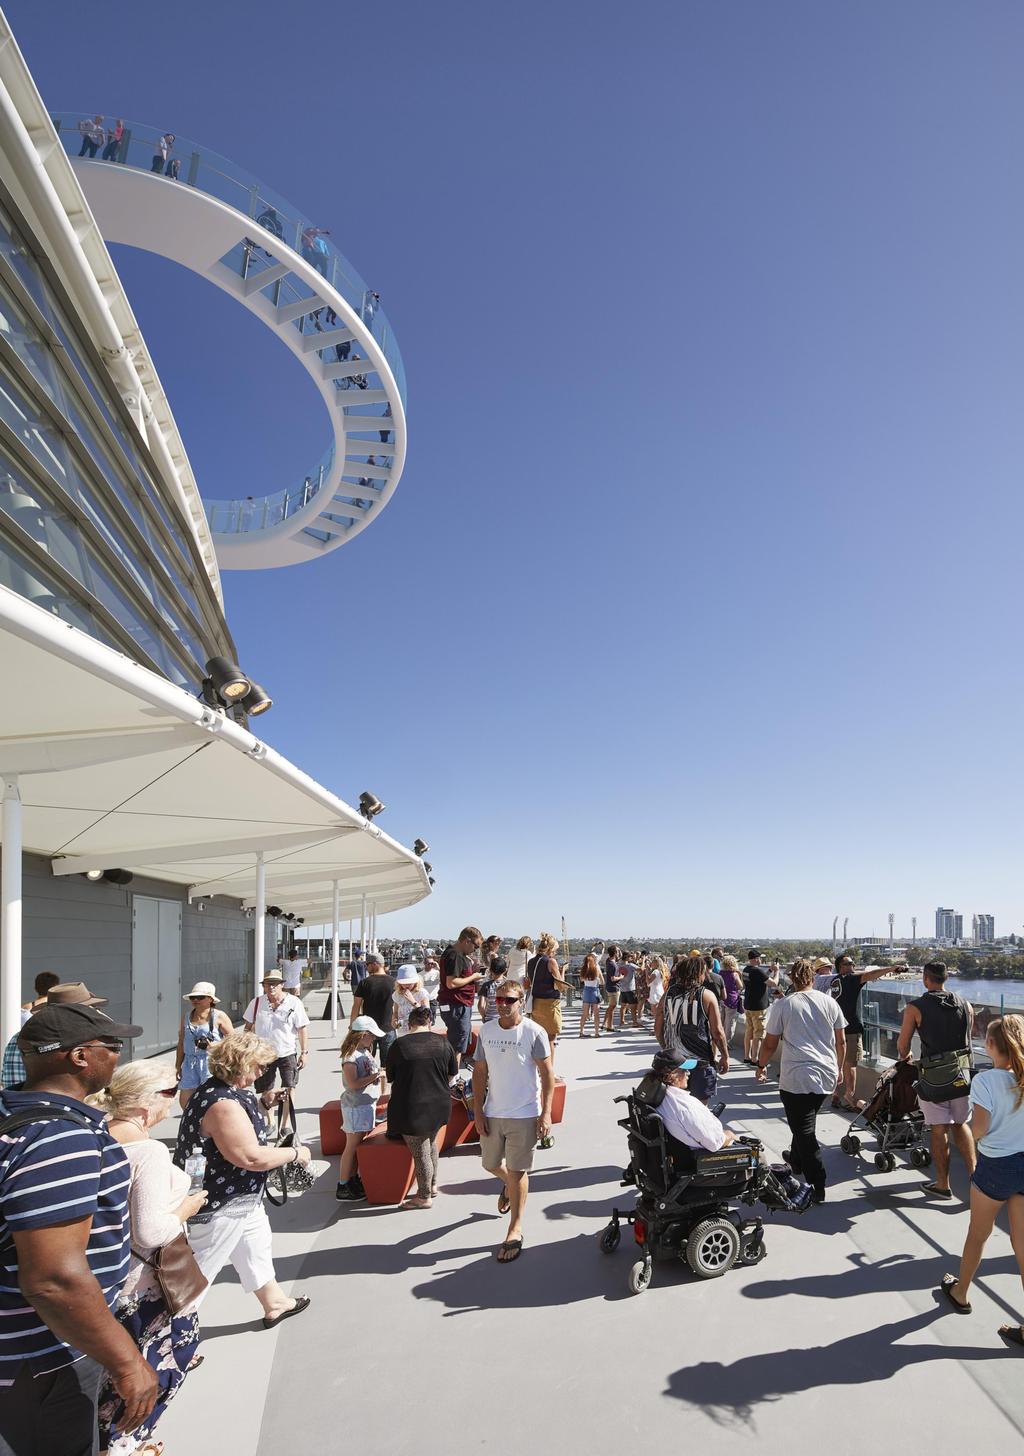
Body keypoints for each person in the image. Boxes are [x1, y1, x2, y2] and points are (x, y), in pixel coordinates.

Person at [0, 1000, 157, 1454]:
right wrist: (128, 1363)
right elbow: (54, 1280)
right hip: (41, 1360)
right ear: (79, 1056)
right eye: (111, 1045)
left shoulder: (15, 1115)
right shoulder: (62, 1139)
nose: (119, 1054)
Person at [90, 1062, 207, 1456]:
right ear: (145, 1106)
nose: (176, 1099)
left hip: (106, 1280)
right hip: (147, 1285)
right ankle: (127, 1446)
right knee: (160, 1369)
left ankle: (115, 1443)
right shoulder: (149, 1152)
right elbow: (152, 1231)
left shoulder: (98, 1139)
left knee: (115, 1380)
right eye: (171, 1092)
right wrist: (186, 1209)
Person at [174, 1031, 311, 1326]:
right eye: (259, 1066)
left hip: (238, 1197)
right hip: (220, 1202)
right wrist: (294, 1154)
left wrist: (263, 1104)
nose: (263, 1072)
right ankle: (167, 1335)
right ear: (240, 1063)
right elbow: (250, 1157)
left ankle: (274, 1302)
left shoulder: (219, 1091)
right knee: (199, 1271)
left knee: (255, 1245)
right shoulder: (223, 1104)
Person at [939, 1015, 1024, 1345]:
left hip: (997, 1167)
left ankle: (960, 1293)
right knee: (1022, 1245)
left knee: (978, 1234)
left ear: (990, 1045)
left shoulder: (987, 1081)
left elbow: (979, 1129)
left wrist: (966, 1128)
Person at [472, 981, 554, 1263]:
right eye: (499, 999)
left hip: (525, 1113)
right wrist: (478, 1110)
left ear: (522, 1001)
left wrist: (546, 1113)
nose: (503, 1004)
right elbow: (479, 1072)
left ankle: (514, 1229)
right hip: (493, 1111)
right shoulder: (487, 1031)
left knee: (518, 1171)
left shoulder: (534, 1032)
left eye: (509, 999)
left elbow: (547, 1075)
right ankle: (509, 1186)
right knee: (490, 1163)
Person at [755, 958, 846, 1203]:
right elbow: (841, 1042)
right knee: (804, 1120)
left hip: (797, 1077)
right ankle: (795, 1160)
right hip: (825, 1074)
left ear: (791, 979)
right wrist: (839, 1068)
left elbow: (770, 1043)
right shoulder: (830, 1003)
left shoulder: (784, 1005)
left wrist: (761, 1066)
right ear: (813, 978)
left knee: (805, 1132)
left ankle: (818, 1183)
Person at [897, 961, 977, 1200]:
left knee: (939, 1127)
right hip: (961, 1074)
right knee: (961, 1124)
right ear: (946, 978)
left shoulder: (914, 1007)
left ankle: (943, 1184)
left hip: (934, 1077)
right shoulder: (966, 1004)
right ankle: (976, 1181)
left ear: (925, 978)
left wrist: (906, 1055)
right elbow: (967, 1038)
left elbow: (902, 1047)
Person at [385, 1007, 457, 1208]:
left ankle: (424, 1195)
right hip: (440, 1104)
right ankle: (432, 1185)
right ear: (430, 1023)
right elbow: (452, 1075)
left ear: (410, 1024)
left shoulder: (399, 1045)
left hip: (412, 1107)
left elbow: (391, 1077)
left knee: (421, 1152)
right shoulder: (443, 1042)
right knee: (431, 1144)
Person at [824, 952, 903, 1111]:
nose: (852, 966)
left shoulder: (835, 980)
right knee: (850, 1064)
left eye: (853, 964)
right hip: (851, 1028)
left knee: (836, 1062)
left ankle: (835, 1094)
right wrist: (891, 968)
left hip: (836, 1028)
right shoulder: (851, 979)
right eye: (849, 963)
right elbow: (871, 974)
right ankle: (849, 1096)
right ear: (841, 967)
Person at [656, 955, 730, 1098]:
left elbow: (658, 1030)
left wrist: (667, 1049)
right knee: (700, 1106)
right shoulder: (706, 996)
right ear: (698, 974)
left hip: (675, 1062)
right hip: (700, 1061)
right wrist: (725, 1056)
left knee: (678, 1105)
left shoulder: (667, 996)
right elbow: (717, 1032)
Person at [243, 971, 310, 1111]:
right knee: (265, 1088)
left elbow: (302, 1029)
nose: (271, 987)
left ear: (282, 985)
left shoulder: (294, 1002)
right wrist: (247, 1048)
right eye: (267, 985)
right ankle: (270, 1121)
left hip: (287, 1052)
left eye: (274, 984)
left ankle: (285, 1122)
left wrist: (304, 1052)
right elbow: (247, 1028)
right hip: (262, 1053)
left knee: (289, 1087)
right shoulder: (256, 1003)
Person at [650, 1051, 737, 1155]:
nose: (688, 1073)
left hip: (674, 1148)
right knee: (757, 1154)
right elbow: (714, 1143)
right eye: (684, 1070)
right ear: (670, 1076)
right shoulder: (684, 1107)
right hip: (695, 1156)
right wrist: (729, 1136)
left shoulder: (655, 1095)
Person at [335, 1016, 383, 1202]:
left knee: (356, 1146)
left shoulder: (365, 1051)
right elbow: (353, 1084)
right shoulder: (351, 1056)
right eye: (371, 1036)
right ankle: (343, 1184)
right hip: (355, 1106)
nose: (374, 1039)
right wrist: (375, 1076)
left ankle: (352, 1179)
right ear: (363, 1035)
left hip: (364, 1104)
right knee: (352, 1146)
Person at [2, 973, 67, 1088]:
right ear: (55, 987)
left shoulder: (25, 1009)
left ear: (36, 988)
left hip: (14, 1079)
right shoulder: (54, 1034)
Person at [176, 982, 232, 1110]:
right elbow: (181, 1042)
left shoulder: (219, 1016)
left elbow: (234, 1040)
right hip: (190, 1063)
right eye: (192, 997)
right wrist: (177, 1065)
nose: (195, 1000)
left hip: (211, 1062)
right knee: (185, 1101)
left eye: (200, 997)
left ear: (210, 999)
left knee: (210, 1098)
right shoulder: (186, 1016)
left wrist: (216, 1045)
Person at [437, 928, 484, 1071]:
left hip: (456, 1003)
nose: (475, 950)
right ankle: (452, 1078)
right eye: (475, 946)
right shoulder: (455, 955)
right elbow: (451, 983)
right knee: (457, 1044)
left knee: (458, 1041)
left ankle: (452, 1076)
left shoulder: (454, 954)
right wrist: (473, 977)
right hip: (457, 1004)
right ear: (466, 941)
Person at [525, 933, 569, 1058]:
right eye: (555, 950)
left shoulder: (532, 961)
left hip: (536, 1002)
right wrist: (563, 970)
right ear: (551, 949)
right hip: (550, 1004)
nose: (555, 952)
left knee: (539, 1037)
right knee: (550, 1039)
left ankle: (540, 1070)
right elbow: (561, 986)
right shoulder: (551, 961)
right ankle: (549, 1073)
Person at [351, 954, 398, 1068]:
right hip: (388, 1027)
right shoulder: (393, 982)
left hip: (367, 1030)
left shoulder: (365, 982)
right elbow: (397, 1005)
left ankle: (369, 1084)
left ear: (375, 964)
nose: (366, 967)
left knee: (365, 1063)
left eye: (367, 964)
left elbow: (356, 1006)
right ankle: (384, 1085)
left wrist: (352, 1026)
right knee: (387, 1066)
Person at [742, 950, 776, 1067]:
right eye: (760, 958)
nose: (761, 960)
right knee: (759, 1033)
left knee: (749, 1031)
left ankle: (747, 1056)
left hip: (748, 1005)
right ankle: (755, 1059)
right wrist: (776, 973)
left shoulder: (746, 970)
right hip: (758, 1007)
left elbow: (760, 978)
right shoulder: (757, 971)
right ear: (756, 959)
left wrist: (770, 970)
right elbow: (773, 983)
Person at [393, 965, 430, 1036]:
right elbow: (395, 1011)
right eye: (403, 983)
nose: (406, 985)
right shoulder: (397, 994)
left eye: (410, 982)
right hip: (403, 1029)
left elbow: (427, 1014)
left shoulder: (422, 993)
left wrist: (413, 1001)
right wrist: (394, 1019)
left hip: (418, 1029)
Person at [717, 955, 743, 1048]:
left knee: (722, 1021)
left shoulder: (720, 973)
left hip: (722, 999)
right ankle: (726, 1043)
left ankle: (720, 1041)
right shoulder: (734, 974)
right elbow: (740, 986)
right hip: (732, 1000)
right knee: (730, 1023)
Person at [578, 954, 603, 1038]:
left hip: (586, 991)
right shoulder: (596, 969)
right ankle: (596, 1032)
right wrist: (598, 980)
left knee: (584, 1013)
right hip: (594, 991)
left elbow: (581, 979)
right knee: (596, 1013)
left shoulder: (583, 970)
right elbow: (603, 982)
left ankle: (581, 1031)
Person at [616, 951, 641, 1029]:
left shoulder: (619, 966)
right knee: (633, 1007)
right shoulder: (630, 965)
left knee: (623, 1006)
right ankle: (634, 1022)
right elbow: (640, 970)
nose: (631, 958)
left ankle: (622, 1021)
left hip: (623, 989)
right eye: (630, 957)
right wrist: (643, 961)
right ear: (627, 957)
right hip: (630, 989)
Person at [601, 944, 623, 1032]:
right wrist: (621, 977)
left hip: (611, 987)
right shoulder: (612, 965)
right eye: (618, 951)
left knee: (611, 1007)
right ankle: (607, 1025)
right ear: (615, 953)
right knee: (612, 1006)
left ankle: (608, 1024)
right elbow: (613, 978)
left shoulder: (608, 961)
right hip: (613, 988)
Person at [421, 950, 441, 1023]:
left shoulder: (437, 973)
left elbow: (444, 977)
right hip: (423, 999)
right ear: (425, 964)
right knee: (424, 1018)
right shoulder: (420, 974)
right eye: (429, 963)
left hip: (433, 999)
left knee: (432, 1018)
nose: (431, 965)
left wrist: (438, 966)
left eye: (432, 963)